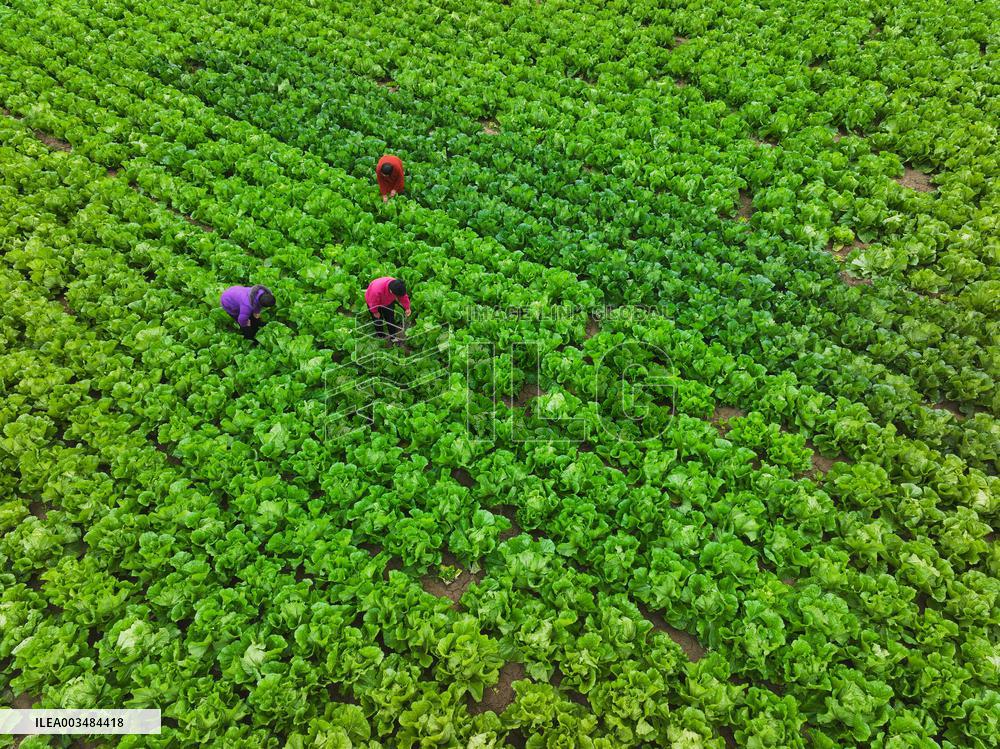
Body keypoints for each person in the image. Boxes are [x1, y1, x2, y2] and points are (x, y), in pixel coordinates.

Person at [365, 276, 411, 344]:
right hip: (374, 303)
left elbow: (403, 297)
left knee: (390, 319)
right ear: (391, 291)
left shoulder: (398, 286)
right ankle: (381, 336)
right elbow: (372, 301)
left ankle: (393, 337)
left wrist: (407, 308)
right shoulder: (376, 289)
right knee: (378, 320)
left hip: (388, 302)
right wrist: (375, 312)